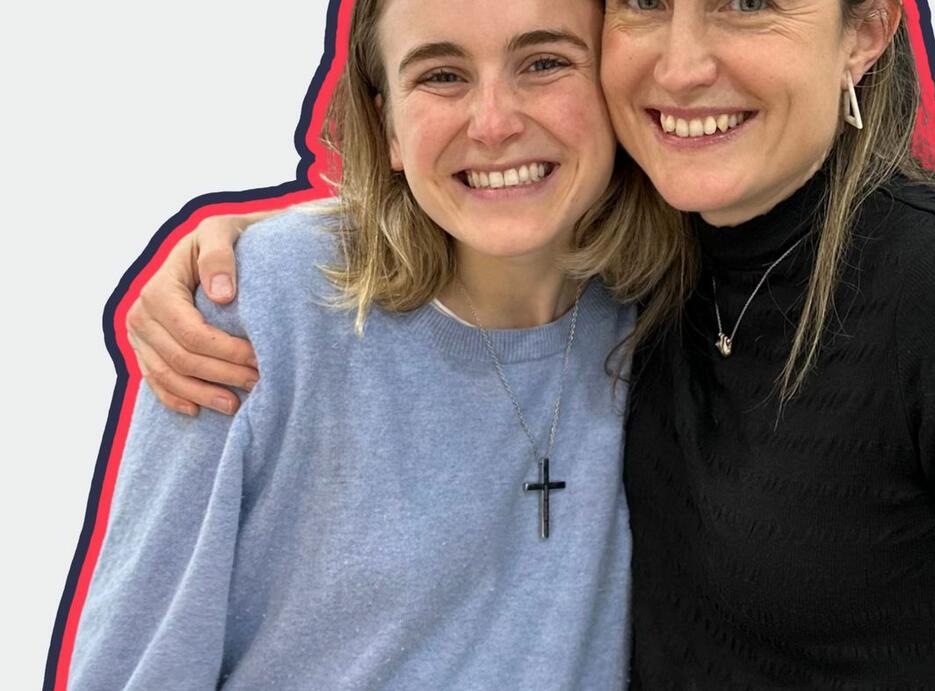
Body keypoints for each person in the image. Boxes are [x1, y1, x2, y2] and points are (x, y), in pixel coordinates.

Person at [124, 0, 935, 687]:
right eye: (641, 2)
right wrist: (267, 255)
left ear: (864, 32)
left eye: (748, 1)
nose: (681, 66)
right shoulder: (655, 263)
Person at [67, 0, 690, 688]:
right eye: (441, 76)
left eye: (543, 63)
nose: (494, 123)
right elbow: (133, 667)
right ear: (387, 123)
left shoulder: (668, 302)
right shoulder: (259, 308)